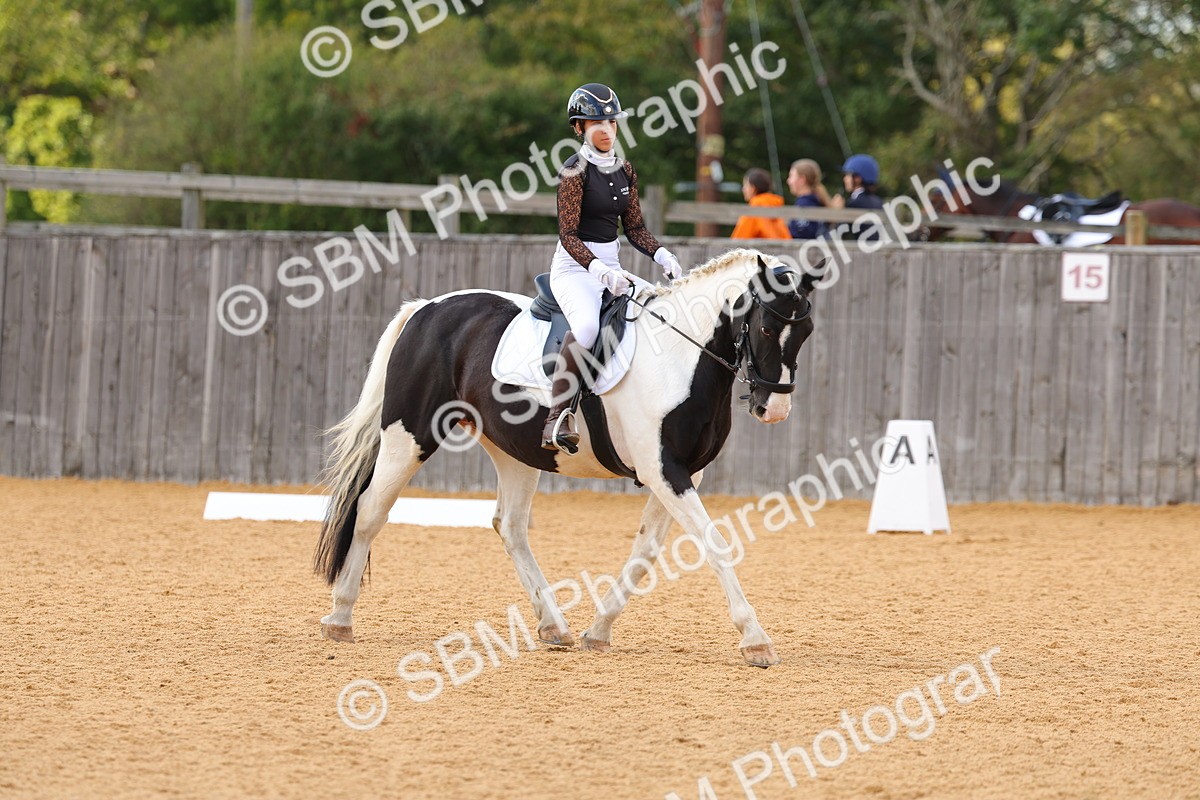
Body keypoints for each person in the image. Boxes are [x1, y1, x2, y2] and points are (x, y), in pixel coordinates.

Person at [543, 82, 683, 452]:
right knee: (588, 327)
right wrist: (598, 271)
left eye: (611, 122)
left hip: (612, 265)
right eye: (596, 124)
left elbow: (633, 227)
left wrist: (661, 255)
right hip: (575, 268)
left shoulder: (625, 170)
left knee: (658, 308)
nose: (606, 130)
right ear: (579, 128)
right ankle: (557, 416)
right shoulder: (574, 171)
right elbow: (568, 235)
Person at [829, 153, 883, 240]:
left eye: (847, 175)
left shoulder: (854, 203)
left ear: (857, 179)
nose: (845, 179)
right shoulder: (878, 201)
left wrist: (838, 212)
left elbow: (839, 235)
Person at [730, 168, 792, 240]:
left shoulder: (754, 208)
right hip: (784, 250)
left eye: (745, 185)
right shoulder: (776, 205)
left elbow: (738, 239)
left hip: (762, 250)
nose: (743, 189)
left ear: (753, 188)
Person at [785, 158, 829, 239]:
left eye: (791, 176)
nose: (788, 181)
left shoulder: (804, 204)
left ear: (802, 179)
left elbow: (801, 235)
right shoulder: (817, 202)